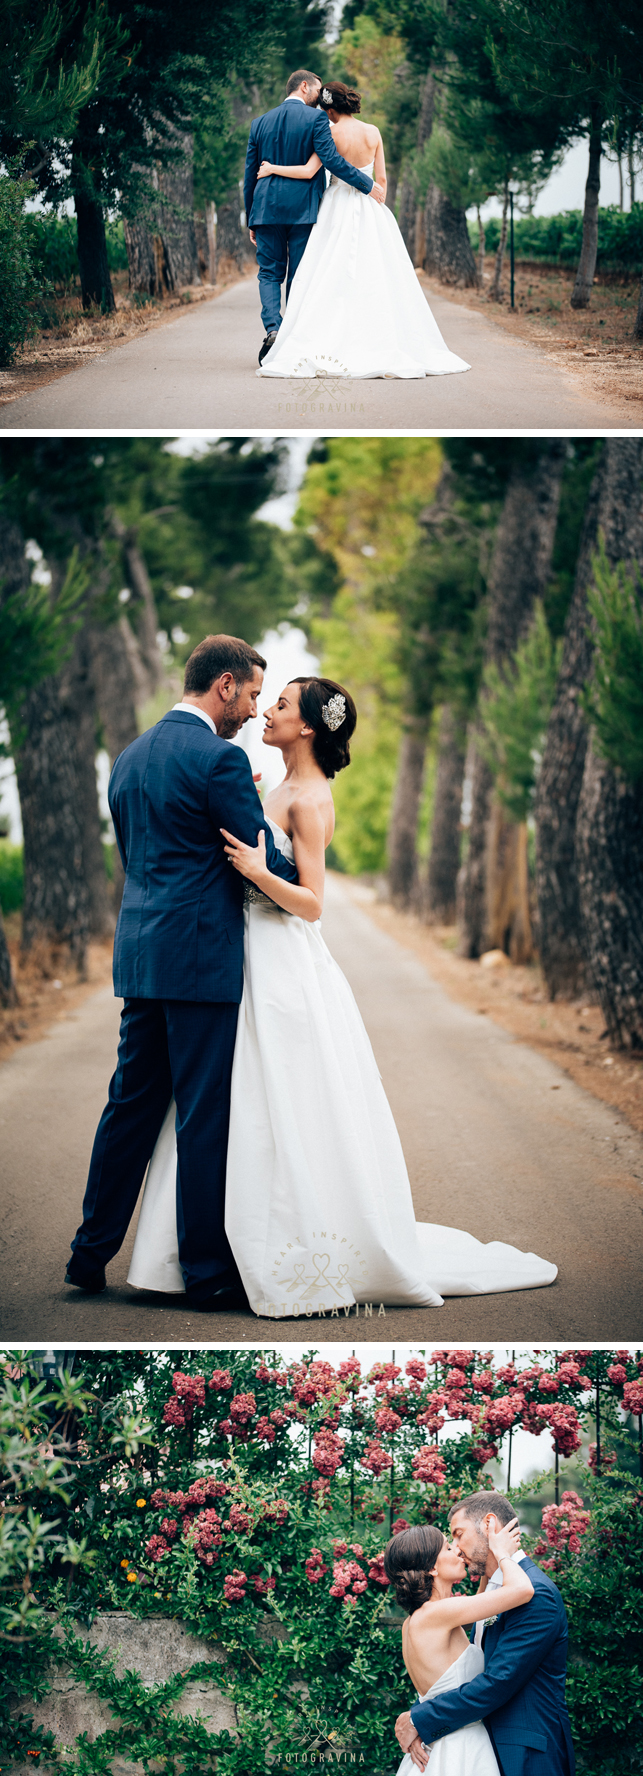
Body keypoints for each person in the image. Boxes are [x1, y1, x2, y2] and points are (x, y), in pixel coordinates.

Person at [128, 676, 558, 1316]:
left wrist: (255, 870)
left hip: (279, 964)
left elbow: (312, 903)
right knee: (231, 1102)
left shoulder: (308, 797)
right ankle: (215, 1248)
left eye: (279, 705)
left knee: (276, 1102)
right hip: (239, 958)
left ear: (306, 727)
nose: (266, 710)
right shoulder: (273, 787)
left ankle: (277, 1243)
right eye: (267, 701)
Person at [66, 636, 297, 1313]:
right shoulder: (218, 760)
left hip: (141, 954)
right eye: (252, 694)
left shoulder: (129, 758)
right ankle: (205, 1272)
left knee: (129, 1108)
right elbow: (255, 860)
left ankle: (89, 1252)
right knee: (201, 1114)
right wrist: (295, 873)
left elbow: (147, 857)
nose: (254, 709)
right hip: (198, 960)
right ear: (224, 686)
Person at [255, 80, 471, 380]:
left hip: (335, 207)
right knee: (376, 274)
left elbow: (308, 171)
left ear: (329, 109)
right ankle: (379, 339)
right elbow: (381, 180)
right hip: (372, 208)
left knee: (324, 274)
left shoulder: (328, 130)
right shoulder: (373, 132)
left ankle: (312, 335)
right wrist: (372, 191)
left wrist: (272, 168)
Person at [394, 1490, 575, 1776]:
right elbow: (449, 1678)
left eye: (458, 1534)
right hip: (468, 1749)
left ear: (489, 1527)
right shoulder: (484, 1596)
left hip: (524, 1755)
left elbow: (498, 1682)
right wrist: (422, 1718)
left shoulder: (537, 1594)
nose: (456, 1547)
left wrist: (420, 1719)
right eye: (449, 1543)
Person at [243, 68, 385, 366]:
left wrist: (250, 218)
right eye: (316, 91)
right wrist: (368, 185)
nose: (319, 98)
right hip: (302, 211)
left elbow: (250, 174)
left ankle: (273, 328)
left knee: (269, 273)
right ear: (304, 86)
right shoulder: (317, 119)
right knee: (298, 273)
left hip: (266, 208)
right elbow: (331, 161)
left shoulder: (259, 123)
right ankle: (292, 333)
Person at [386, 1511, 534, 1776]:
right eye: (447, 1546)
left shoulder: (418, 1619)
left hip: (439, 1741)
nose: (457, 1550)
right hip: (460, 1749)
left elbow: (483, 1605)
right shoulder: (437, 1614)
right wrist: (501, 1553)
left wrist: (485, 1555)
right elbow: (522, 1590)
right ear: (432, 1568)